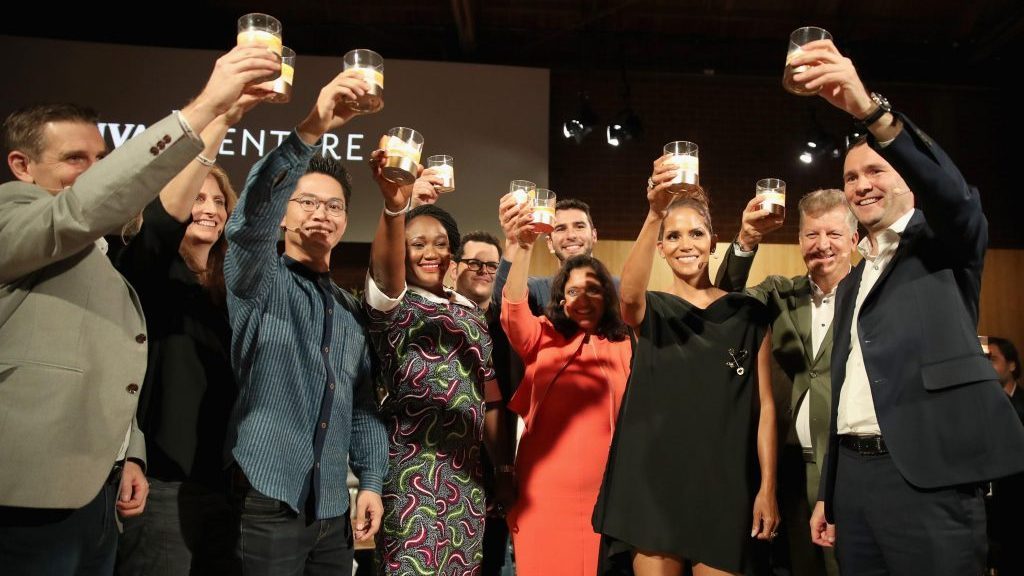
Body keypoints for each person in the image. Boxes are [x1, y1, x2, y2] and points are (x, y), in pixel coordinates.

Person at [0, 46, 278, 574]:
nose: (94, 173)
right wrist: (203, 112)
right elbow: (119, 218)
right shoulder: (12, 221)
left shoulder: (98, 257)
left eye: (100, 159)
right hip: (27, 493)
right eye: (74, 159)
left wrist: (129, 451)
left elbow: (109, 366)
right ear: (22, 166)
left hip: (100, 491)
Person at [795, 40, 1024, 575]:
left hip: (928, 479)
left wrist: (872, 115)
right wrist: (830, 491)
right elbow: (846, 385)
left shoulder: (947, 244)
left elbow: (953, 196)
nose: (861, 185)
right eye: (851, 178)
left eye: (876, 170)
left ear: (906, 177)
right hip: (854, 484)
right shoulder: (851, 282)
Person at [223, 70, 388, 575]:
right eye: (307, 201)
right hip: (268, 498)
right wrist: (312, 129)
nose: (322, 213)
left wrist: (373, 482)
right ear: (283, 214)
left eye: (334, 206)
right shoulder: (258, 279)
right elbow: (248, 223)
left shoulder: (347, 308)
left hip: (332, 510)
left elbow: (361, 405)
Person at [594, 177, 778, 576]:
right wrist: (654, 212)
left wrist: (767, 487)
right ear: (660, 249)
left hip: (724, 484)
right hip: (653, 485)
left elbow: (764, 406)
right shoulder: (651, 311)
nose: (686, 244)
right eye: (673, 236)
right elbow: (627, 297)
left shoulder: (747, 315)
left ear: (714, 242)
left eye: (696, 233)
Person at [114, 100, 257, 575]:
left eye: (219, 201)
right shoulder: (149, 270)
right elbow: (158, 224)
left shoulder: (231, 289)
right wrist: (219, 123)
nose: (210, 209)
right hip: (161, 483)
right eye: (198, 197)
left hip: (227, 487)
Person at [363, 148, 514, 574]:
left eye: (441, 243)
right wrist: (397, 206)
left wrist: (502, 466)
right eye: (417, 244)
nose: (430, 252)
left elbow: (490, 397)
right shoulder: (393, 302)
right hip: (410, 474)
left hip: (466, 479)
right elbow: (384, 265)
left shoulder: (468, 309)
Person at [717, 189, 856, 576]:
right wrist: (746, 239)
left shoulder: (871, 298)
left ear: (854, 241)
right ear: (798, 241)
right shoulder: (778, 293)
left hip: (851, 470)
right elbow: (724, 305)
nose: (822, 245)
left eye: (833, 234)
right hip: (789, 471)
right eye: (812, 235)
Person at [501, 207, 631, 576]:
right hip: (544, 492)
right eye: (573, 290)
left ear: (608, 296)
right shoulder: (542, 336)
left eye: (594, 289)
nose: (584, 298)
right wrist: (522, 247)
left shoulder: (625, 344)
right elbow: (511, 311)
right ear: (561, 299)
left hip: (609, 492)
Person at [449, 230, 517, 576]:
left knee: (489, 564)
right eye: (474, 262)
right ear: (454, 267)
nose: (484, 270)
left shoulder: (509, 327)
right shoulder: (441, 319)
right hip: (444, 472)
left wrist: (506, 469)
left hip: (497, 474)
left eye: (491, 264)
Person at [986, 336, 1024, 576]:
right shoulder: (978, 404)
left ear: (1011, 365)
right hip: (989, 505)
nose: (987, 365)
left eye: (993, 359)